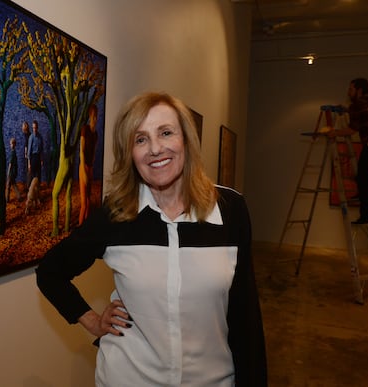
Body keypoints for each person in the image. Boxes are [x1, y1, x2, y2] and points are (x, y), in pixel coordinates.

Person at [36, 92, 267, 386]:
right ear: (130, 152)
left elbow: (245, 316)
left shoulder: (229, 210)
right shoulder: (115, 214)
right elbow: (50, 272)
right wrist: (92, 320)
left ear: (186, 140)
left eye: (166, 133)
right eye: (140, 139)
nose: (155, 149)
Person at [329, 78, 368, 224]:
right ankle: (361, 194)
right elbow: (364, 113)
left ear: (359, 90)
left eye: (351, 89)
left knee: (363, 179)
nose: (348, 92)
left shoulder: (356, 106)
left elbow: (352, 130)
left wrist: (334, 133)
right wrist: (348, 110)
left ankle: (366, 215)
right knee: (364, 175)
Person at [78, 104, 99, 226]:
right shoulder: (84, 129)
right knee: (84, 204)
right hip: (83, 166)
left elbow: (94, 153)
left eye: (96, 116)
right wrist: (84, 172)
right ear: (90, 117)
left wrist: (90, 170)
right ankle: (80, 229)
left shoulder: (95, 134)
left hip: (90, 167)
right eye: (93, 116)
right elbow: (81, 151)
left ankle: (85, 228)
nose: (95, 119)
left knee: (88, 201)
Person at [27, 120, 43, 184]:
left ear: (37, 127)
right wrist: (29, 163)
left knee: (39, 174)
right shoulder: (31, 137)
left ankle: (38, 189)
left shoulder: (40, 137)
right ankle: (31, 190)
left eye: (35, 127)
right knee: (32, 175)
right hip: (33, 157)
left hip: (38, 157)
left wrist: (41, 159)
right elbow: (29, 151)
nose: (34, 129)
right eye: (33, 128)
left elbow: (41, 149)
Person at [6, 137, 22, 203]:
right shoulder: (14, 152)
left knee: (8, 186)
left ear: (14, 144)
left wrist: (8, 172)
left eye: (12, 144)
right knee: (14, 185)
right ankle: (19, 196)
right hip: (14, 172)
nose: (11, 145)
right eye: (10, 144)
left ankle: (7, 199)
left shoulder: (12, 153)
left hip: (11, 172)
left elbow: (10, 164)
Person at [21, 121, 31, 190]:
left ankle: (28, 186)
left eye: (24, 126)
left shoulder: (28, 135)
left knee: (29, 170)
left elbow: (27, 146)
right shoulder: (26, 134)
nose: (23, 128)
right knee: (27, 170)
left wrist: (26, 153)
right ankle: (27, 185)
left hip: (28, 154)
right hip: (27, 154)